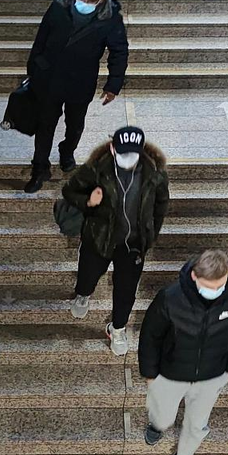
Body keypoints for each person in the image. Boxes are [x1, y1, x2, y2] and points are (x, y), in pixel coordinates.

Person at [138, 250, 228, 455]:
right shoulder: (170, 298)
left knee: (197, 425)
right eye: (208, 286)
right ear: (194, 276)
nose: (214, 291)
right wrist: (150, 374)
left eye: (220, 285)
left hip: (211, 375)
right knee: (162, 416)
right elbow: (150, 337)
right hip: (171, 373)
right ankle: (157, 425)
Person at [62, 126, 170, 356]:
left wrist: (151, 235)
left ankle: (117, 327)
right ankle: (83, 295)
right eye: (122, 155)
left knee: (126, 290)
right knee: (88, 275)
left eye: (132, 155)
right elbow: (69, 191)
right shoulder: (96, 169)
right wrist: (89, 202)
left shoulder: (155, 174)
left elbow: (161, 205)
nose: (127, 161)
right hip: (100, 237)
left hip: (133, 244)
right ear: (112, 149)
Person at [23, 0, 129, 193]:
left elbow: (119, 52)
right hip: (50, 77)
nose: (83, 2)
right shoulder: (59, 7)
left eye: (89, 0)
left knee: (75, 124)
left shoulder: (109, 19)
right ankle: (39, 168)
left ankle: (67, 150)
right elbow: (40, 40)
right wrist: (33, 72)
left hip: (81, 80)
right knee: (45, 124)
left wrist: (113, 85)